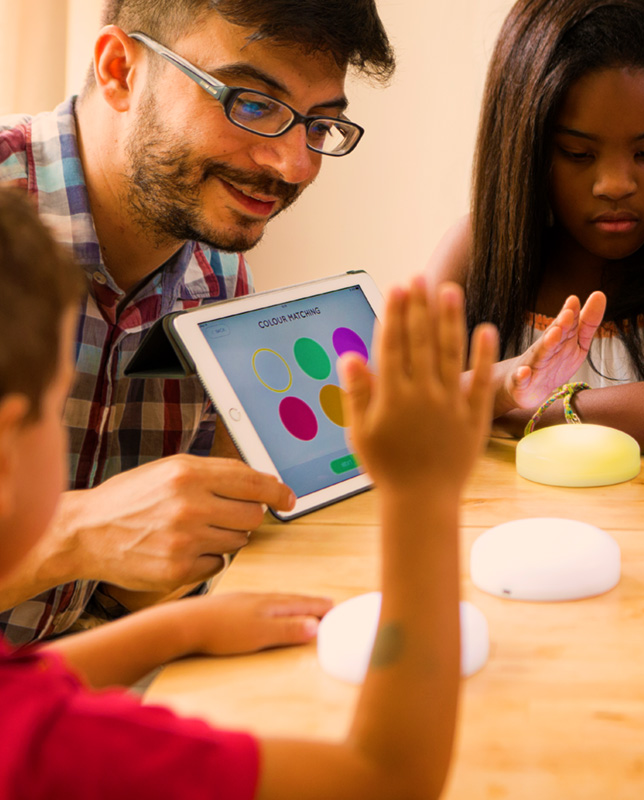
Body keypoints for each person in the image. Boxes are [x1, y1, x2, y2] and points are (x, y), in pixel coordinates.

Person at [0, 185, 495, 799]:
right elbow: (387, 779)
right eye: (57, 407)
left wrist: (184, 627)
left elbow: (25, 683)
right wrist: (423, 494)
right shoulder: (57, 748)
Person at [0, 0, 394, 644]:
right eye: (253, 104)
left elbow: (122, 598)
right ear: (119, 70)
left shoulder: (218, 277)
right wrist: (79, 533)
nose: (295, 166)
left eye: (319, 125)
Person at [426, 0, 644, 458]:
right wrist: (506, 385)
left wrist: (504, 408)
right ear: (526, 147)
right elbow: (406, 401)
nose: (615, 185)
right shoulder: (476, 250)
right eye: (578, 154)